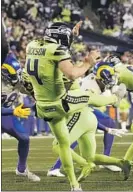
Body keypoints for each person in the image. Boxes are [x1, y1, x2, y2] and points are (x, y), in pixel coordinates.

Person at [25, 21, 104, 191]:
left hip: (42, 106)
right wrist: (89, 62)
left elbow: (52, 52)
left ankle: (75, 185)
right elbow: (72, 73)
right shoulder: (57, 50)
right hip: (61, 103)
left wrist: (72, 36)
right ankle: (115, 98)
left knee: (64, 144)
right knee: (91, 97)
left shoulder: (32, 45)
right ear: (61, 38)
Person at [2, 53, 40, 182]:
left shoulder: (17, 81)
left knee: (24, 138)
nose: (16, 78)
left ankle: (21, 169)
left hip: (7, 115)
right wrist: (13, 111)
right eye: (13, 75)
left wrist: (34, 90)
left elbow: (31, 90)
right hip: (8, 112)